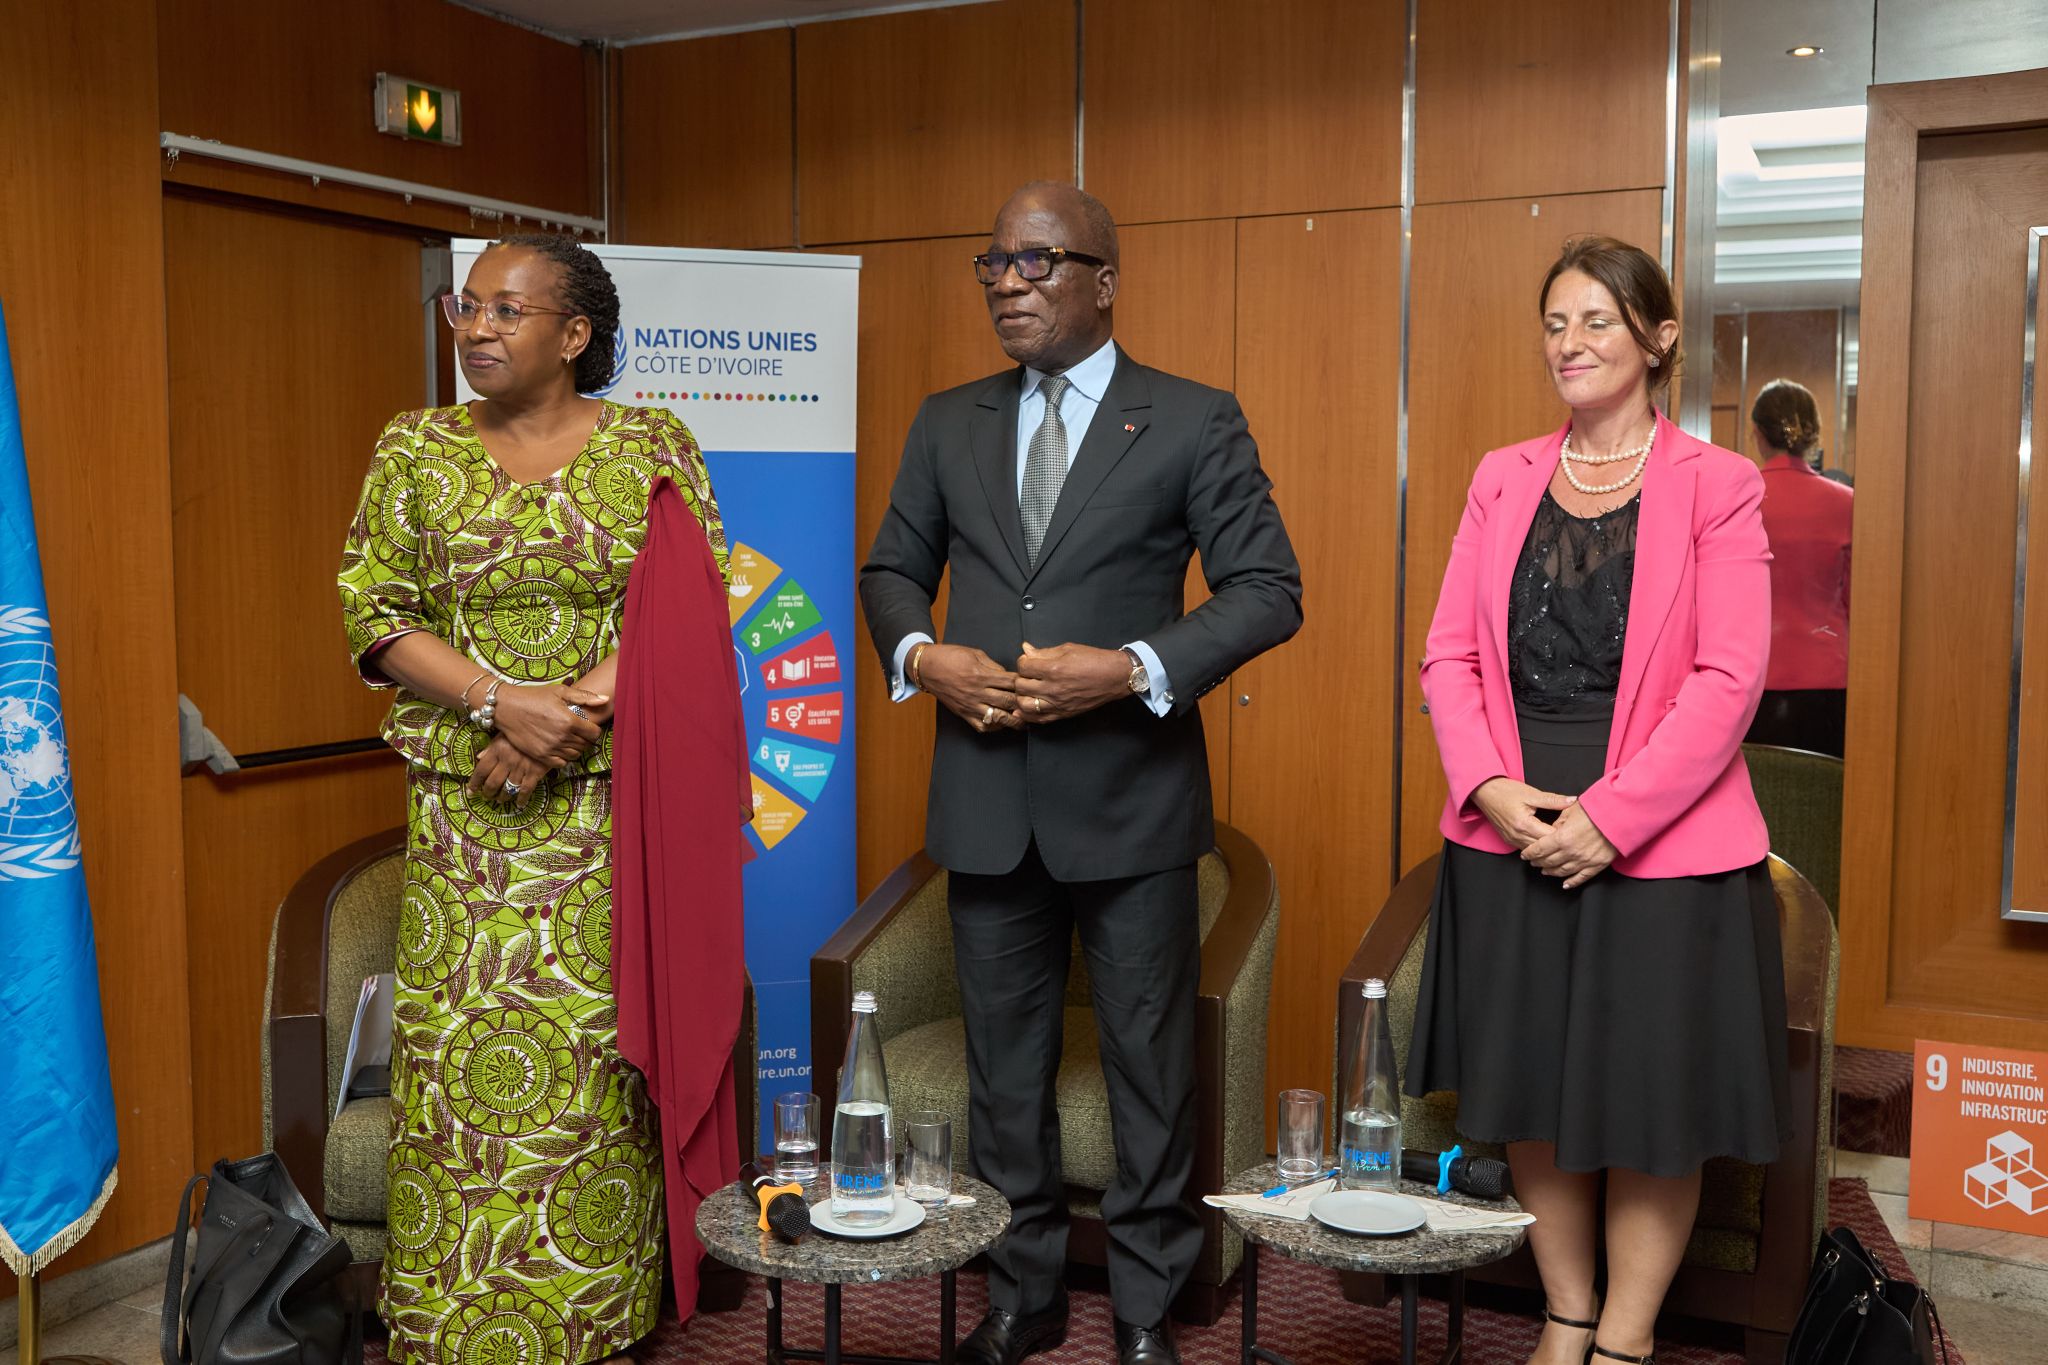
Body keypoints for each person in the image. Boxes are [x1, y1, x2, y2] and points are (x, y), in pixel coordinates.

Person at [860, 181, 1302, 1365]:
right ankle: (1024, 1297)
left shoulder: (1191, 419)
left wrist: (1132, 668)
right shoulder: (945, 422)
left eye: (1036, 261)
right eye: (993, 263)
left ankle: (1148, 1312)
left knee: (1148, 1068)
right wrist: (923, 657)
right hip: (984, 803)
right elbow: (890, 571)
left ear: (1103, 281)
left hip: (1130, 804)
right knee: (1004, 1074)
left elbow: (1268, 590)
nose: (1007, 283)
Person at [338, 234, 727, 1365]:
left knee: (598, 1067)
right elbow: (375, 612)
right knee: (460, 1073)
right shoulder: (412, 447)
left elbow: (689, 608)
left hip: (612, 813)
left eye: (507, 310)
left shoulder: (652, 443)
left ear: (575, 334)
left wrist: (561, 725)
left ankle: (596, 1315)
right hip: (463, 816)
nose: (476, 327)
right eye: (466, 306)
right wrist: (501, 705)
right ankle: (455, 1322)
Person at [1405, 236, 1791, 1365]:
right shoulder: (1501, 476)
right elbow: (1447, 655)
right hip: (1511, 827)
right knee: (1527, 1085)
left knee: (1649, 1105)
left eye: (1596, 321)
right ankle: (1565, 1314)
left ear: (1657, 339)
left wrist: (1611, 818)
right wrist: (1486, 784)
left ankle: (1625, 1340)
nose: (1568, 343)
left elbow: (1729, 677)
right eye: (1554, 323)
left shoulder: (1717, 484)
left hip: (1667, 840)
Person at [1746, 378, 1852, 756]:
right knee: (1823, 789)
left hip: (1748, 674)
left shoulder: (1739, 500)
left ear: (1757, 433)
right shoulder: (1848, 503)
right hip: (1828, 679)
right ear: (1813, 433)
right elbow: (1857, 600)